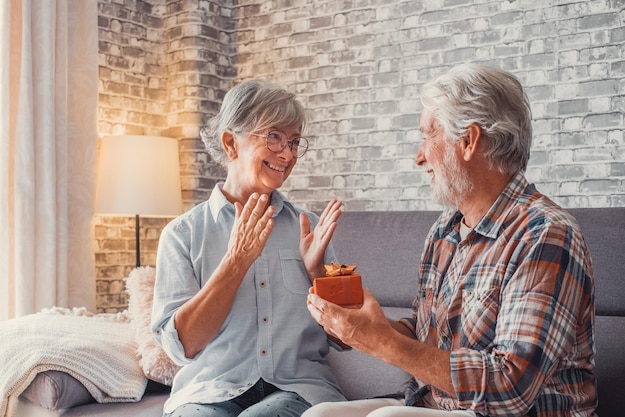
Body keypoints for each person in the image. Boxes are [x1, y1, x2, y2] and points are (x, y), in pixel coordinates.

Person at [303, 63, 597, 417]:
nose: (419, 156)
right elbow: (428, 339)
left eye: (429, 134)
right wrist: (363, 328)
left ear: (469, 141)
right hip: (434, 405)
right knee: (319, 415)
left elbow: (511, 388)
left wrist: (383, 342)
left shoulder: (544, 233)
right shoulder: (445, 230)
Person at [151, 79, 347, 417]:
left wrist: (319, 274)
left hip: (299, 387)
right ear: (230, 143)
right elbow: (182, 346)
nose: (287, 154)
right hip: (208, 391)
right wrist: (236, 260)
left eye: (294, 141)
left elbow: (349, 336)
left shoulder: (311, 227)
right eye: (274, 137)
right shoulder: (181, 234)